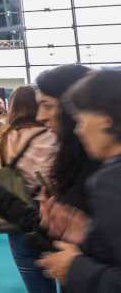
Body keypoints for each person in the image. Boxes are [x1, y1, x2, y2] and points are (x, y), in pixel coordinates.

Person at [0, 65, 99, 289]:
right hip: (42, 218)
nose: (42, 116)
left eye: (47, 106)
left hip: (24, 218)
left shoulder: (4, 139)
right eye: (39, 106)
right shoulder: (60, 143)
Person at [38, 69, 121, 291]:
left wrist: (75, 268)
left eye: (81, 120)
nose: (79, 130)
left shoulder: (110, 180)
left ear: (105, 120)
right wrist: (88, 235)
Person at [0, 86, 57, 293]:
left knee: (35, 279)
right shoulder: (53, 134)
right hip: (57, 214)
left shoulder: (2, 140)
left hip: (18, 214)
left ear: (12, 108)